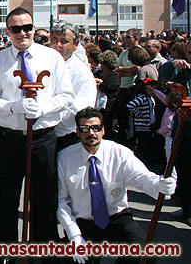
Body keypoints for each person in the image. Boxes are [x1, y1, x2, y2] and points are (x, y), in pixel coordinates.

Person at [0, 7, 74, 263]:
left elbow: (66, 95)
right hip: (10, 137)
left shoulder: (51, 58)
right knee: (9, 199)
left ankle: (44, 252)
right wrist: (12, 106)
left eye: (26, 27)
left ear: (34, 28)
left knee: (44, 199)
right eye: (15, 29)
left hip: (43, 137)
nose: (22, 33)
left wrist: (44, 107)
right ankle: (9, 253)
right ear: (7, 32)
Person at [57, 107, 176, 264]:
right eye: (85, 129)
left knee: (146, 254)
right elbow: (61, 201)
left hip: (117, 218)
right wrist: (75, 236)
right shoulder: (64, 158)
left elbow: (142, 177)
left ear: (103, 130)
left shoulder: (119, 152)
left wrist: (160, 184)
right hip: (84, 222)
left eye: (96, 128)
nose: (91, 133)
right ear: (78, 132)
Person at [50, 21, 97, 152]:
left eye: (64, 41)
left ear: (75, 45)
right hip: (43, 135)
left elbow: (79, 110)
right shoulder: (43, 64)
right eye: (54, 40)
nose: (58, 45)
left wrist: (47, 116)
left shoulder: (82, 74)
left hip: (66, 136)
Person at [116, 29, 141, 146]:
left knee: (134, 116)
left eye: (128, 37)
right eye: (125, 37)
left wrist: (124, 70)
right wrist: (127, 71)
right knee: (124, 116)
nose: (125, 39)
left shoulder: (140, 52)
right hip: (123, 87)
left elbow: (136, 69)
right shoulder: (123, 53)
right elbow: (117, 69)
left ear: (136, 38)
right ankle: (127, 140)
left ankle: (135, 141)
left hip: (134, 88)